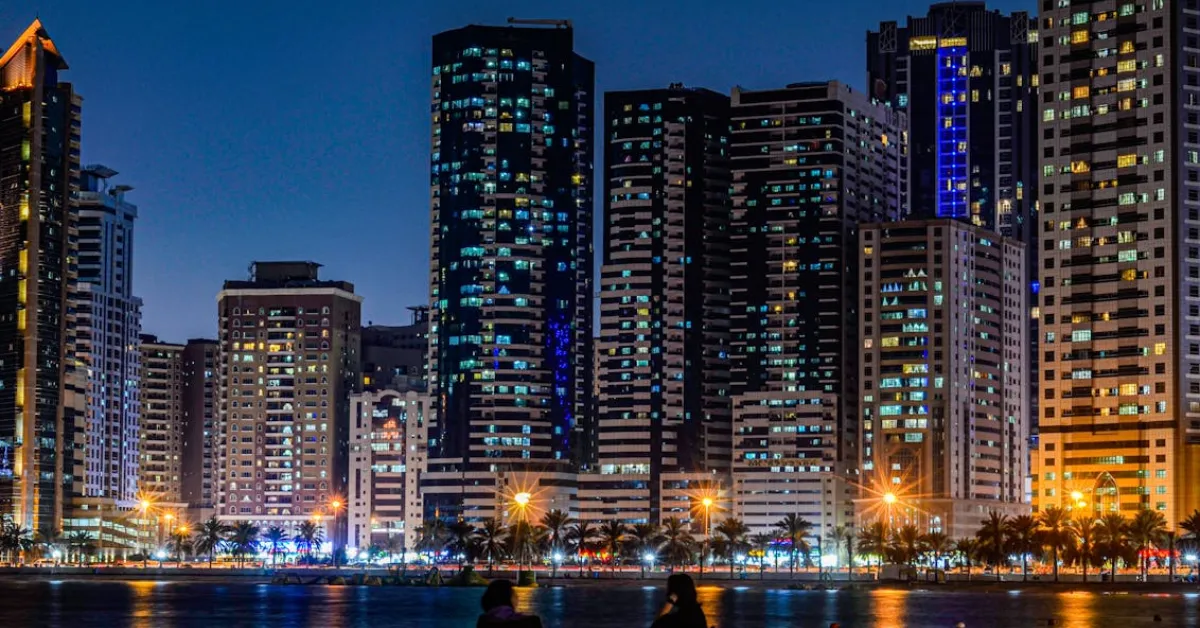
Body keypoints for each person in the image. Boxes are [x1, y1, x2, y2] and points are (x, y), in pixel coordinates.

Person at [476, 579, 543, 628]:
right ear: (507, 597)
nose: (518, 598)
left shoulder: (484, 621)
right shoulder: (531, 621)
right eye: (514, 595)